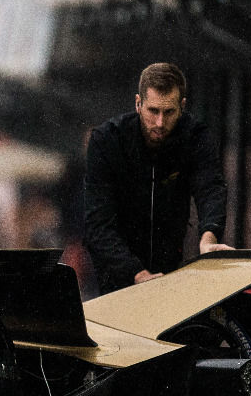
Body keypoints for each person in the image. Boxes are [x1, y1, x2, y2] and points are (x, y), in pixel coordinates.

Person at [84, 62, 233, 295]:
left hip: (169, 269)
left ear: (182, 106)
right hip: (117, 277)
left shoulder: (194, 137)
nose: (160, 123)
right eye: (153, 111)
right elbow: (98, 223)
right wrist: (137, 273)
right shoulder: (108, 140)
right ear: (138, 104)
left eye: (169, 112)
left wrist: (209, 236)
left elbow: (210, 187)